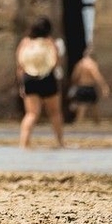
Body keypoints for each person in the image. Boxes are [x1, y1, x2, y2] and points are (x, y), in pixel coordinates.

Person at [16, 17, 66, 149]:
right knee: (54, 112)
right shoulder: (50, 42)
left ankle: (24, 144)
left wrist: (22, 85)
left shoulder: (25, 42)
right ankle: (60, 143)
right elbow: (55, 62)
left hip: (28, 78)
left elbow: (20, 65)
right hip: (47, 76)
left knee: (31, 114)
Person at [66, 50, 108, 126]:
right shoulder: (92, 64)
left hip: (82, 86)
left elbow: (74, 76)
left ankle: (79, 122)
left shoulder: (80, 64)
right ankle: (96, 123)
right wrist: (104, 86)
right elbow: (97, 76)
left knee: (82, 106)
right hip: (90, 86)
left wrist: (75, 84)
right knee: (93, 106)